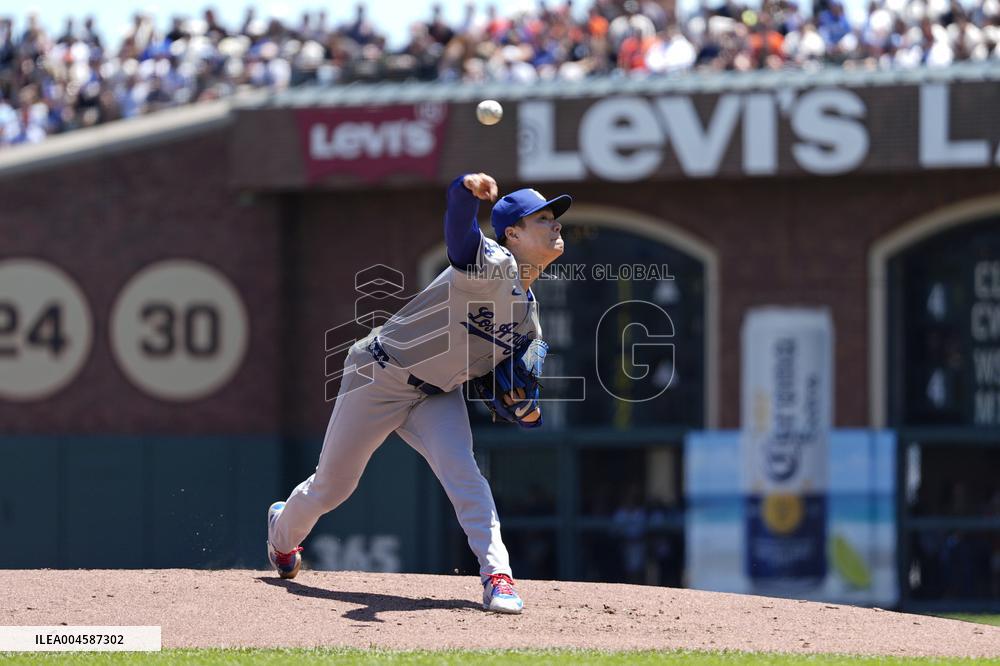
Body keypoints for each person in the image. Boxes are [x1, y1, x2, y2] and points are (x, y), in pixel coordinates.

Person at [266, 172, 571, 614]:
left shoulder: (530, 320)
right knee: (332, 488)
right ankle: (280, 535)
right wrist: (464, 191)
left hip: (436, 394)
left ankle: (497, 577)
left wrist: (522, 409)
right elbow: (459, 236)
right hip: (379, 373)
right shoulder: (494, 263)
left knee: (465, 476)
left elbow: (518, 389)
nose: (556, 224)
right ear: (513, 233)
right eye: (543, 218)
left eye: (555, 218)